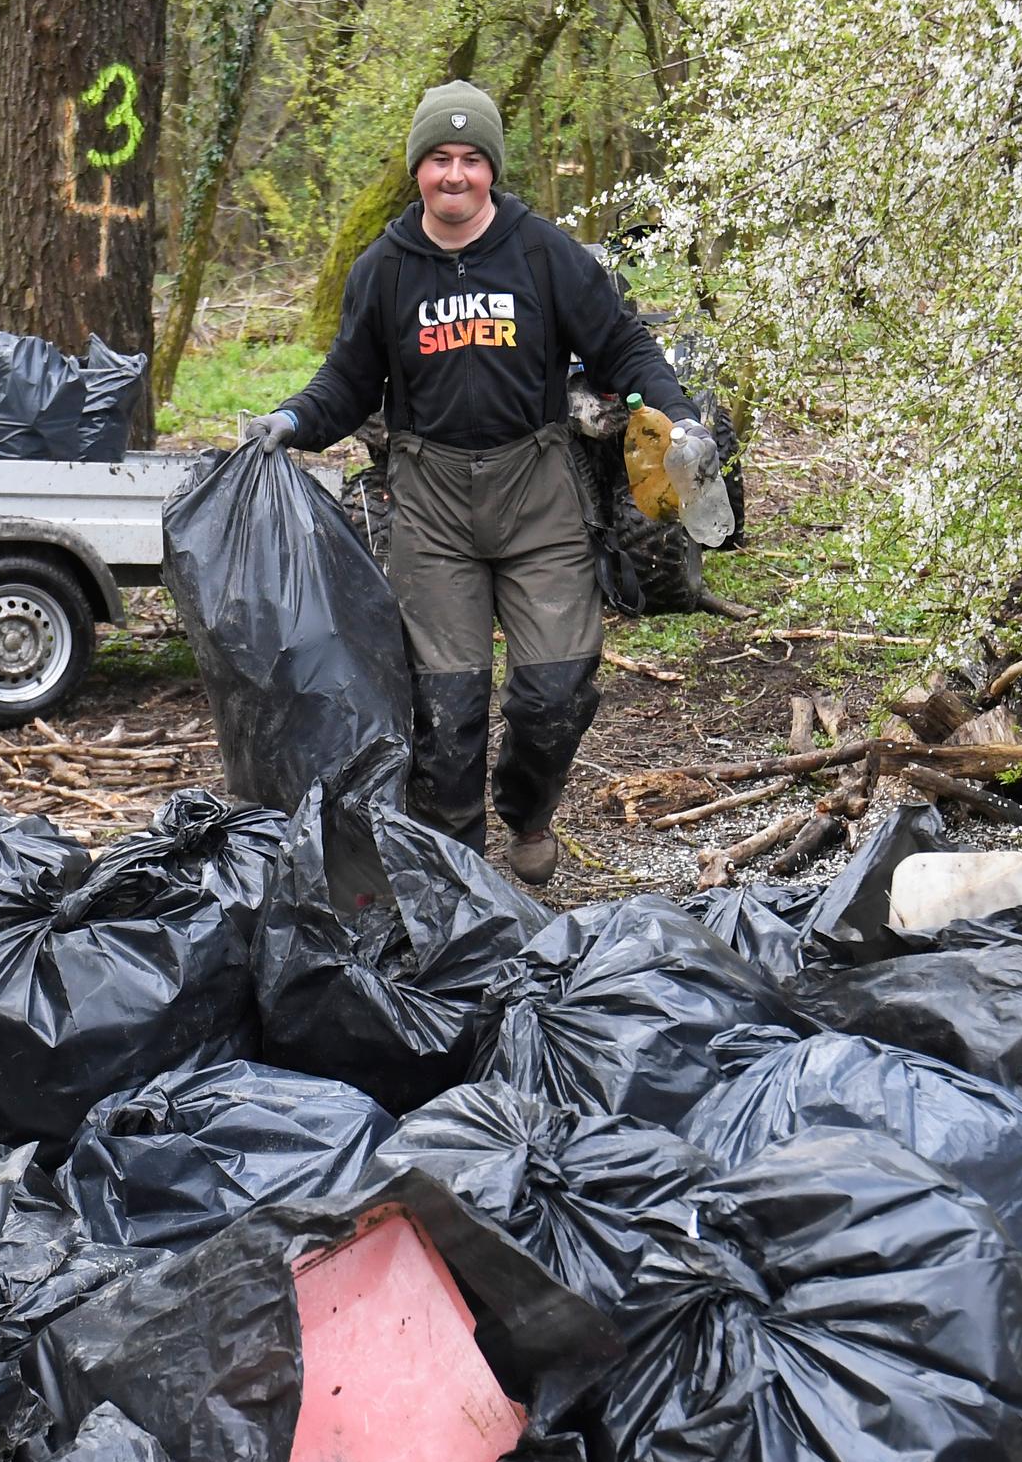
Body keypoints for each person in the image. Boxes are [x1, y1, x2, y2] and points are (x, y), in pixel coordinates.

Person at [259, 81, 716, 884]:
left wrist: (677, 418)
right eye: (439, 158)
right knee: (447, 709)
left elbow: (623, 346)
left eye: (471, 159)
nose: (454, 175)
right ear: (417, 168)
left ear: (491, 169)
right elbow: (346, 383)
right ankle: (456, 868)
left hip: (537, 495)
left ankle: (528, 814)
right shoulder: (384, 270)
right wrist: (289, 422)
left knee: (557, 691)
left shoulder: (542, 254)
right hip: (431, 507)